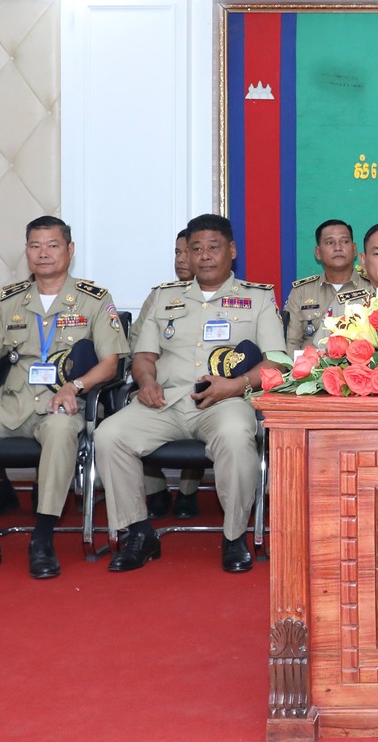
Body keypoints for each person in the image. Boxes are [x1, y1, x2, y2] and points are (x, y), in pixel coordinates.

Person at [0, 216, 127, 580]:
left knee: (61, 431)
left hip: (61, 405)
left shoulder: (94, 300)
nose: (43, 253)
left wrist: (75, 386)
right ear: (27, 251)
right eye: (35, 246)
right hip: (10, 404)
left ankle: (42, 539)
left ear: (70, 250)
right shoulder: (11, 300)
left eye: (52, 245)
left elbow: (110, 364)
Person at [95, 214, 282, 574]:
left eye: (214, 247)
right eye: (197, 249)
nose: (205, 256)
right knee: (109, 435)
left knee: (236, 435)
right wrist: (146, 382)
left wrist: (237, 385)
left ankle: (234, 537)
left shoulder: (257, 298)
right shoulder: (165, 297)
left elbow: (276, 362)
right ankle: (139, 534)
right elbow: (144, 357)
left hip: (226, 401)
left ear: (232, 251)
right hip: (165, 401)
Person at [133, 229, 197, 519]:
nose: (181, 260)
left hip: (200, 385)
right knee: (135, 408)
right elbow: (137, 342)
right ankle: (155, 490)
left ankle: (188, 492)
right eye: (177, 253)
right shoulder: (160, 296)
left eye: (188, 252)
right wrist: (146, 376)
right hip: (158, 382)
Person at [284, 219, 357, 351]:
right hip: (311, 363)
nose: (338, 247)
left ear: (354, 249)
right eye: (330, 242)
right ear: (318, 252)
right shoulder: (301, 292)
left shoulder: (371, 288)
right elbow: (291, 342)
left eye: (344, 241)